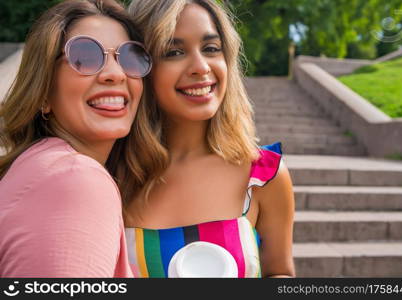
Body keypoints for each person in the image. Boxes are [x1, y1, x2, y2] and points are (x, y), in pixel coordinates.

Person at [126, 0, 295, 278]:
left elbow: (280, 274)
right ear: (140, 66)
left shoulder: (265, 176)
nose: (201, 67)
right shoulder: (111, 175)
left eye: (211, 49)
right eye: (174, 51)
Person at [0, 0, 152, 277]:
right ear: (43, 92)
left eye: (130, 57)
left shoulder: (42, 168)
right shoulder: (74, 179)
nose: (115, 74)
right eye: (85, 56)